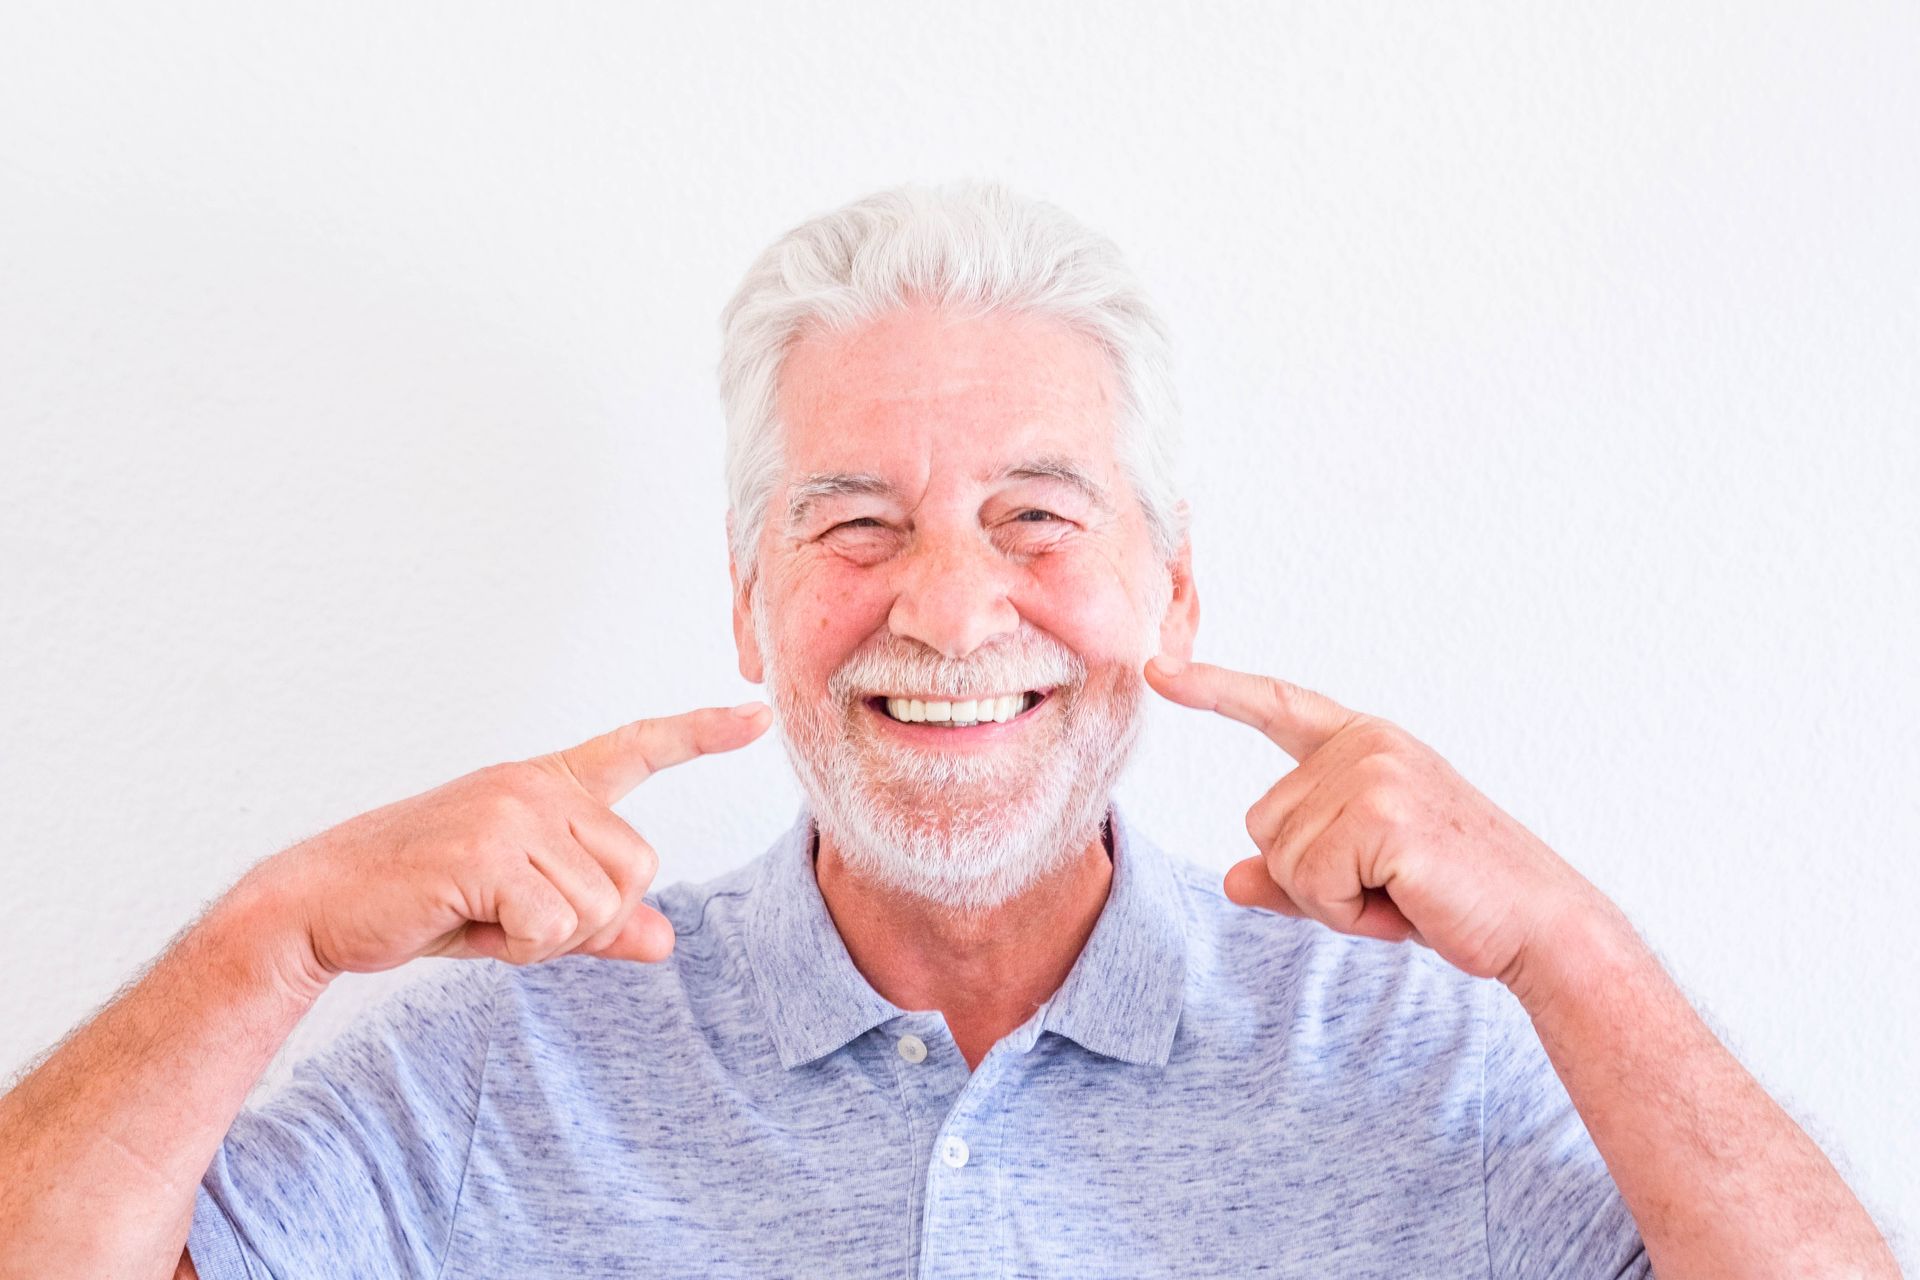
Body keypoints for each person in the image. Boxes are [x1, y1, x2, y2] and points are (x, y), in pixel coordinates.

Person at [0, 182, 1897, 1280]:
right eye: (855, 525)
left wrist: (1568, 946)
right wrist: (272, 938)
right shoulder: (513, 1062)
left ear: (1173, 594)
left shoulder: (1407, 1054)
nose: (950, 609)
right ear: (751, 602)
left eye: (1037, 518)